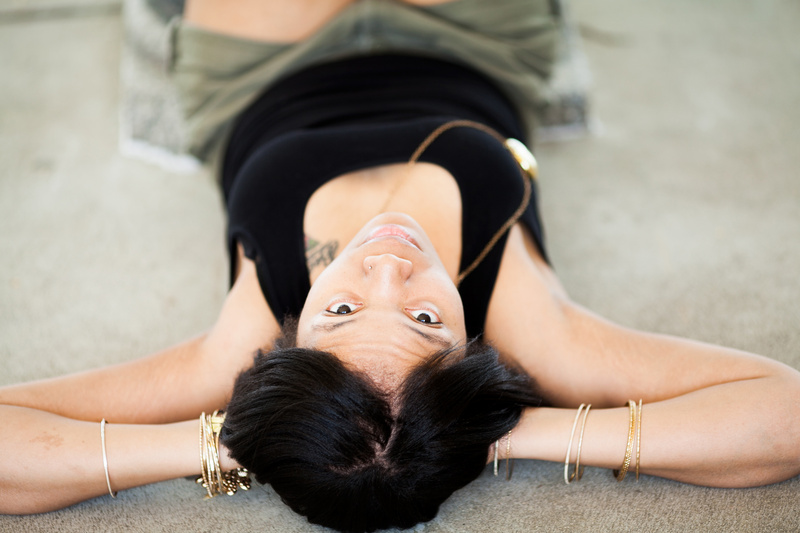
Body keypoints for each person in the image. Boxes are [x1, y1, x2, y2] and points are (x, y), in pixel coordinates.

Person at [2, 1, 799, 532]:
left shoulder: (245, 341)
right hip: (469, 37)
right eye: (426, 320)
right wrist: (508, 435)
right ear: (470, 359)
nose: (388, 267)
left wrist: (235, 444)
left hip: (263, 69)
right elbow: (783, 417)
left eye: (341, 312)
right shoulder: (537, 334)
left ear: (288, 347)